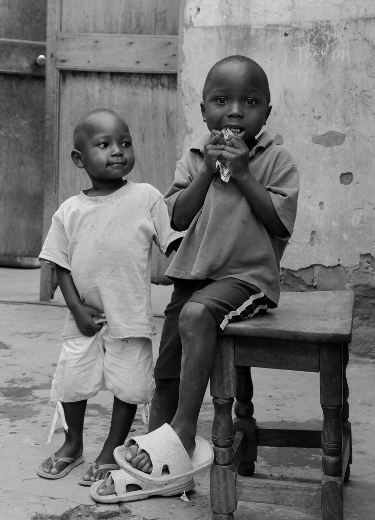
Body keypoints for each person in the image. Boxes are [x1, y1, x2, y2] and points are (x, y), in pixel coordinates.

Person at [94, 55, 299, 501]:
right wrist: (208, 170)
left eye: (250, 102)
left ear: (267, 111)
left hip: (247, 279)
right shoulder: (192, 159)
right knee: (167, 368)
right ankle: (160, 466)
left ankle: (183, 434)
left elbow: (280, 225)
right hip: (193, 274)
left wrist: (243, 174)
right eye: (221, 101)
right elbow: (177, 217)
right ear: (203, 109)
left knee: (195, 315)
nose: (235, 112)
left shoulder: (275, 159)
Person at [37, 109, 183, 486]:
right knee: (72, 381)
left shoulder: (147, 197)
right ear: (79, 158)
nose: (117, 151)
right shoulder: (69, 211)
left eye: (125, 143)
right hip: (83, 317)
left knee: (129, 384)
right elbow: (59, 265)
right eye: (104, 145)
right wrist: (76, 308)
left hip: (129, 316)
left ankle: (111, 449)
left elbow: (174, 244)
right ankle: (72, 443)